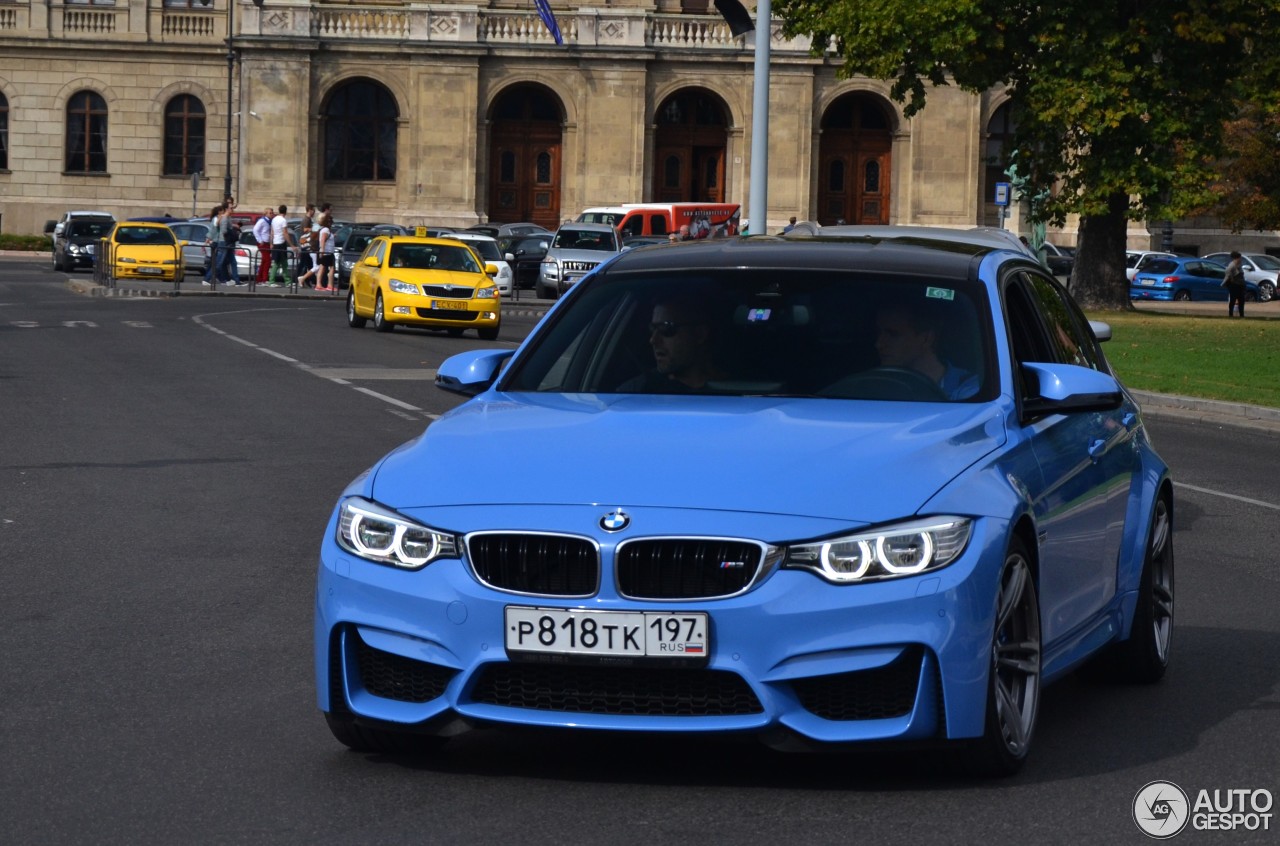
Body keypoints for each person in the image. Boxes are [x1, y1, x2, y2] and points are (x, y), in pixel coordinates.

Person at [872, 299, 978, 399]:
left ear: (926, 339)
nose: (879, 344)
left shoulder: (968, 390)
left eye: (893, 334)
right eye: (879, 333)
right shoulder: (874, 386)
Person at [618, 294, 725, 392]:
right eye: (652, 328)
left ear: (700, 334)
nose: (653, 340)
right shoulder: (637, 392)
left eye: (666, 328)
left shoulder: (734, 389)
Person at [267, 204, 296, 287]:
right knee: (278, 263)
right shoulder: (283, 220)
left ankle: (287, 281)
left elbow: (272, 232)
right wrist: (292, 245)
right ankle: (272, 281)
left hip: (276, 242)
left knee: (283, 263)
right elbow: (285, 233)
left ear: (279, 210)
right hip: (281, 243)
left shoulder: (274, 219)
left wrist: (271, 243)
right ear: (285, 212)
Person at [315, 213, 336, 292]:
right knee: (329, 268)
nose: (331, 224)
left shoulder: (325, 230)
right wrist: (322, 251)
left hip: (328, 252)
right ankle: (324, 285)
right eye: (330, 222)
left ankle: (321, 284)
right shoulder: (326, 230)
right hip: (327, 252)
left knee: (323, 268)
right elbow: (323, 240)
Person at [251, 207, 272, 284]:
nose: (271, 214)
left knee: (264, 261)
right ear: (266, 214)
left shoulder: (269, 222)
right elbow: (255, 230)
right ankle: (264, 279)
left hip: (267, 243)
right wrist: (260, 240)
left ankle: (259, 278)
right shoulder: (262, 221)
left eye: (272, 213)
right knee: (267, 261)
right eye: (270, 213)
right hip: (263, 243)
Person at [1224, 251, 1247, 318]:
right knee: (1233, 300)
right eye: (1240, 258)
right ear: (1237, 258)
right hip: (1235, 285)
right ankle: (1231, 314)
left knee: (1241, 300)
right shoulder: (1232, 265)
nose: (1241, 259)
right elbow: (1228, 272)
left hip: (1240, 285)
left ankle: (1241, 315)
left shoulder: (1239, 266)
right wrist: (1231, 279)